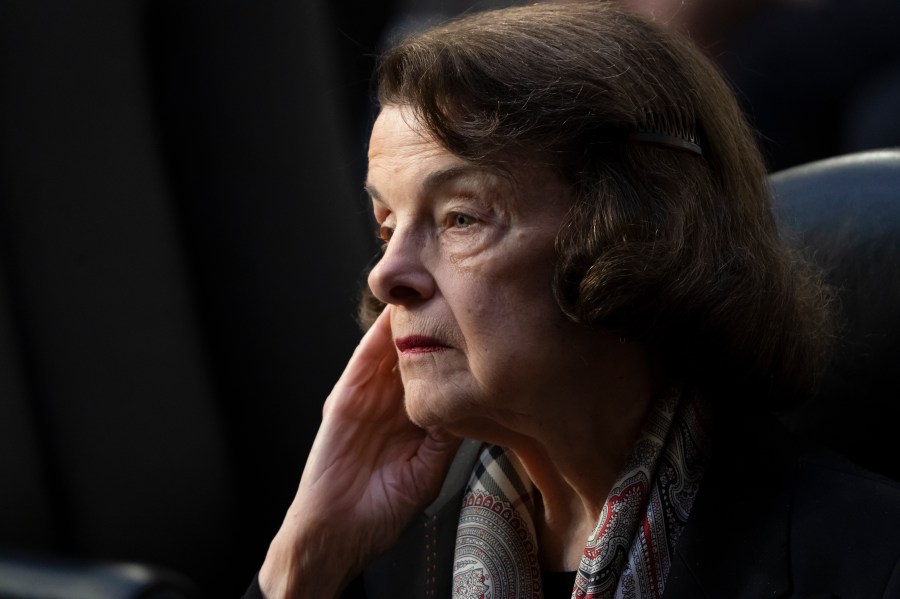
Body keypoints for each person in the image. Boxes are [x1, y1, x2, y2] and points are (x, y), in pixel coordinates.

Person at [246, 3, 900, 597]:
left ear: (636, 235)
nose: (386, 276)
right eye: (387, 227)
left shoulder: (865, 561)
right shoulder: (382, 564)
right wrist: (303, 560)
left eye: (461, 218)